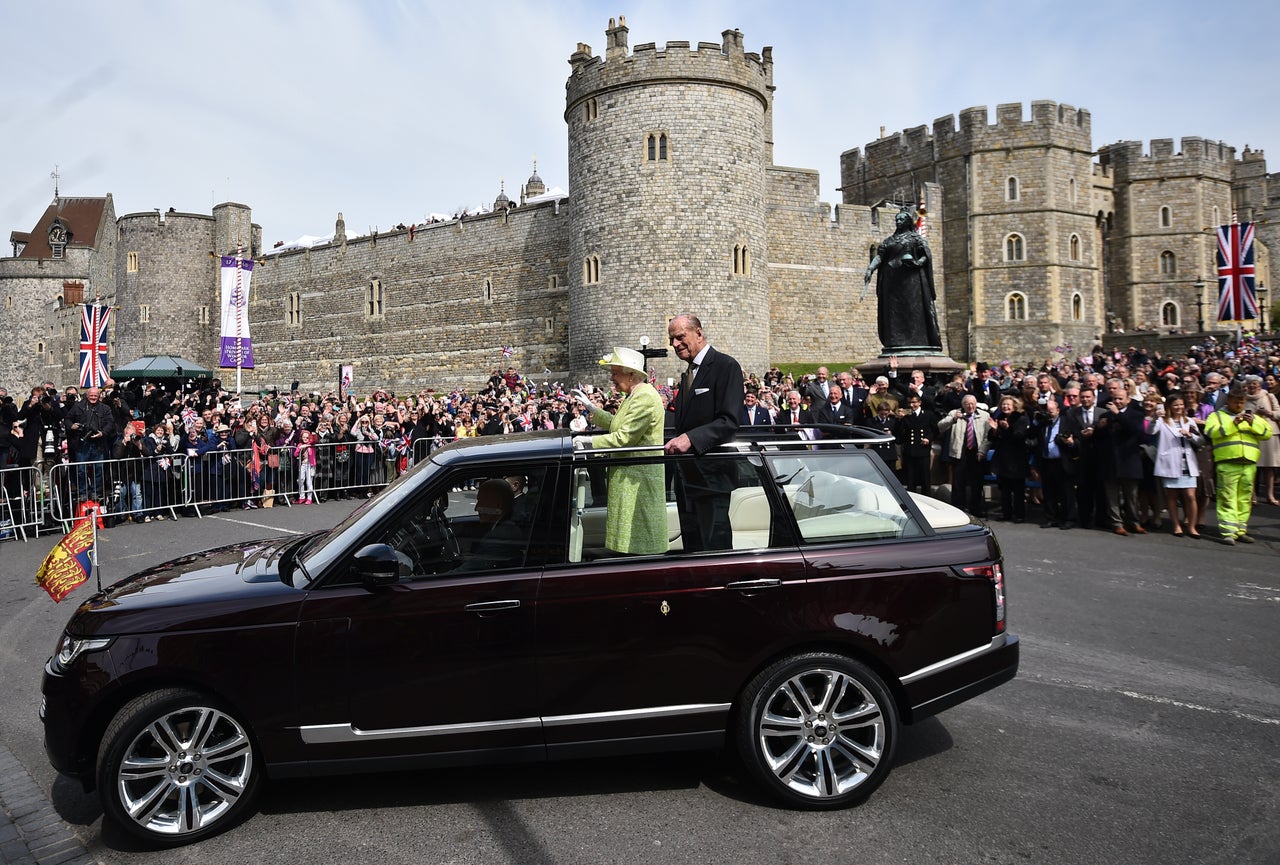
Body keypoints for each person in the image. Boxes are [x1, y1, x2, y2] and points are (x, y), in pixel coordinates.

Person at [572, 347, 666, 556]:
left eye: (615, 373)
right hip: (628, 477)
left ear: (631, 374)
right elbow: (617, 424)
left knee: (639, 542)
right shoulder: (634, 394)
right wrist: (592, 408)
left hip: (638, 480)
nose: (612, 379)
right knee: (628, 540)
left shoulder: (644, 397)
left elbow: (624, 438)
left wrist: (588, 443)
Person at [862, 205, 942, 352]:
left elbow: (926, 255)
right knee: (893, 312)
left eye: (901, 219)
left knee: (913, 311)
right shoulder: (889, 241)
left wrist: (917, 263)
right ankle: (895, 342)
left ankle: (918, 341)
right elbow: (880, 256)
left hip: (911, 281)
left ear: (907, 221)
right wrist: (870, 269)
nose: (898, 222)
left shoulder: (915, 238)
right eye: (897, 219)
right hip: (892, 281)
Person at [1204, 385, 1273, 545]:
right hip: (1228, 463)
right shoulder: (1217, 416)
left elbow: (1267, 433)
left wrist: (1253, 424)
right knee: (1227, 498)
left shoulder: (1253, 417)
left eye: (1242, 402)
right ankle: (1228, 532)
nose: (1239, 405)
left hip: (1248, 464)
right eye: (1236, 402)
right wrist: (1233, 424)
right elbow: (1211, 432)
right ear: (1229, 401)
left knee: (1244, 499)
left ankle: (1241, 530)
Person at [664, 314, 743, 455]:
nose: (674, 344)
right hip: (687, 467)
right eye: (671, 340)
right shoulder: (689, 373)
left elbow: (729, 421)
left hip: (714, 467)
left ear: (699, 334)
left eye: (680, 337)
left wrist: (691, 438)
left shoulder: (726, 366)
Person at [1150, 393, 1203, 538]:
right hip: (1170, 462)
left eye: (1181, 405)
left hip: (1187, 463)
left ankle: (1192, 527)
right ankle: (1176, 526)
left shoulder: (1190, 421)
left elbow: (1200, 441)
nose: (1178, 407)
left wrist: (1190, 435)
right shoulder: (1163, 421)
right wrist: (1155, 417)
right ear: (1169, 407)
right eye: (1175, 405)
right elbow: (1151, 431)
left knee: (1190, 496)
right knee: (1171, 496)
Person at [938, 394, 990, 517]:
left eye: (973, 403)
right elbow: (940, 426)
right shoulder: (954, 413)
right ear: (963, 405)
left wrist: (983, 450)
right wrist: (953, 419)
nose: (970, 406)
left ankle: (976, 509)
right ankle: (958, 508)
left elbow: (988, 436)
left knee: (976, 483)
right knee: (958, 482)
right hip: (959, 452)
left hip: (977, 452)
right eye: (967, 404)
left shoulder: (984, 415)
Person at [988, 396, 1030, 524]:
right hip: (1003, 458)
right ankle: (1006, 513)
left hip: (1017, 459)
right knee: (1004, 489)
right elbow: (992, 439)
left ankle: (1019, 514)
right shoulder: (999, 418)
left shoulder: (1021, 418)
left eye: (1008, 405)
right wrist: (995, 430)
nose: (1005, 407)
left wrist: (1007, 428)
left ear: (1014, 406)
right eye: (1003, 404)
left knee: (1018, 490)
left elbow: (1020, 436)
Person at [1240, 375, 1279, 505]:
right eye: (1250, 383)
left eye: (1255, 383)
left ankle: (1270, 495)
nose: (1252, 386)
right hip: (1251, 434)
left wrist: (1269, 413)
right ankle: (1252, 495)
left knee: (1269, 467)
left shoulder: (1269, 396)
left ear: (1259, 385)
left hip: (1269, 433)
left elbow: (1278, 413)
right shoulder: (1243, 397)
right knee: (1252, 466)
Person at [895, 393, 938, 494]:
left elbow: (935, 430)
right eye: (909, 403)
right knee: (910, 479)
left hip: (923, 450)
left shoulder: (928, 414)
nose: (911, 405)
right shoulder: (906, 415)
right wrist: (900, 420)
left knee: (925, 478)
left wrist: (929, 438)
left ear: (919, 403)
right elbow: (900, 433)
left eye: (914, 402)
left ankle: (927, 499)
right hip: (910, 451)